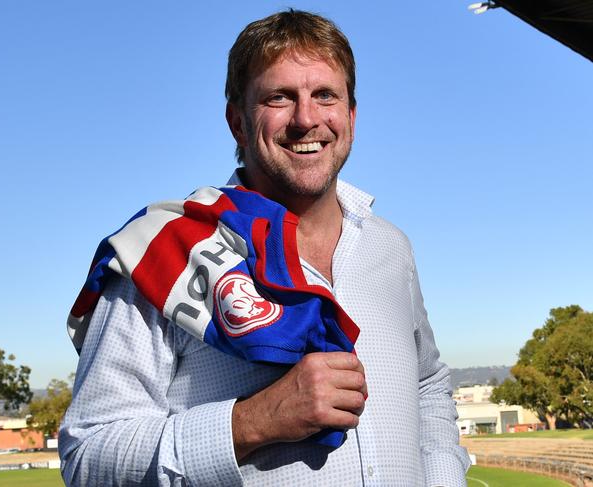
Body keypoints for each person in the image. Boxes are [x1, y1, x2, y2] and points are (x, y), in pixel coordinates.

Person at [59, 10, 470, 487]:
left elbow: (427, 386)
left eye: (325, 96)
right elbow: (87, 455)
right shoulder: (163, 251)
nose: (306, 119)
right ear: (238, 122)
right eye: (279, 97)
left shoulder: (389, 246)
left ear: (351, 117)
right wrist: (253, 422)